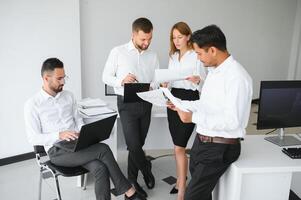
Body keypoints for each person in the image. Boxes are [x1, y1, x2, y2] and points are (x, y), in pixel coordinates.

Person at [24, 58, 146, 200]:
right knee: (103, 149)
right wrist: (59, 134)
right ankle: (129, 192)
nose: (63, 82)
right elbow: (33, 137)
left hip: (78, 144)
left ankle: (125, 192)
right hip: (57, 151)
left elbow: (78, 120)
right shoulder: (32, 104)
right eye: (59, 78)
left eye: (64, 77)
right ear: (46, 78)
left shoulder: (68, 96)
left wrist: (85, 132)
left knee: (100, 168)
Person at [167, 25, 253, 200]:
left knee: (193, 196)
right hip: (203, 142)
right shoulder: (214, 72)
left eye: (199, 54)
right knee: (201, 193)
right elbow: (206, 104)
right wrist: (181, 104)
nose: (198, 59)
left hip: (220, 147)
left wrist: (192, 117)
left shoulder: (237, 77)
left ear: (212, 50)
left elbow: (232, 121)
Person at [102, 17, 159, 198]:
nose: (146, 43)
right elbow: (105, 76)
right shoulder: (118, 52)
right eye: (143, 39)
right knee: (133, 145)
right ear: (134, 34)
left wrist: (157, 85)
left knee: (139, 144)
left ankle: (132, 180)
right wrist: (121, 80)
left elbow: (156, 80)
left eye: (149, 39)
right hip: (126, 103)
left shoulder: (153, 55)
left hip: (146, 102)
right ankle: (146, 169)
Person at [162, 22, 206, 200]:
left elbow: (206, 83)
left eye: (180, 37)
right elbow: (170, 80)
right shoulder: (172, 56)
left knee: (180, 146)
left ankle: (182, 191)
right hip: (173, 99)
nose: (177, 40)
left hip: (190, 99)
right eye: (174, 37)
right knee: (176, 146)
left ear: (188, 36)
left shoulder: (197, 56)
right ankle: (181, 180)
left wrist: (197, 80)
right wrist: (165, 84)